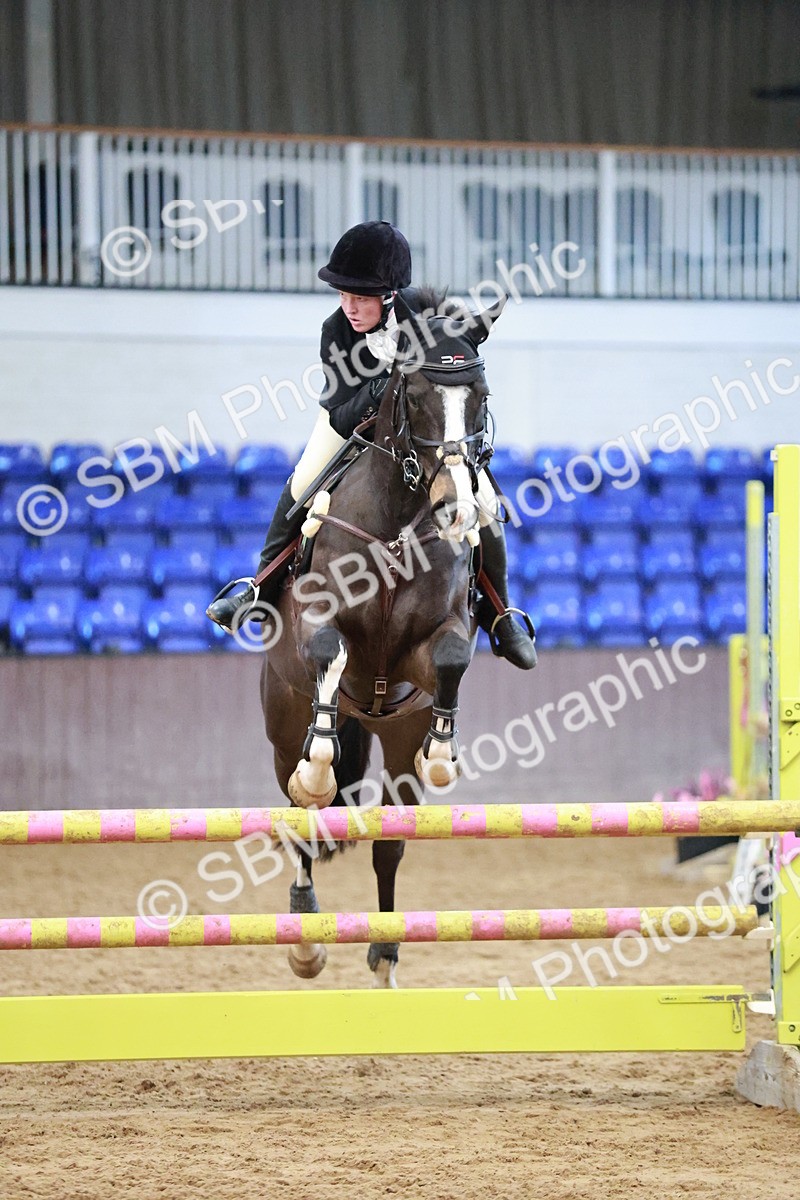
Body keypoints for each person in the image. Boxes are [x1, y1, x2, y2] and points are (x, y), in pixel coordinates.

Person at [206, 220, 537, 670]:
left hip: (418, 436)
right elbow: (341, 412)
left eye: (359, 297)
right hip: (351, 426)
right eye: (344, 295)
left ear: (388, 295)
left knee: (480, 500)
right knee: (303, 479)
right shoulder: (336, 332)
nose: (349, 307)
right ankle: (259, 586)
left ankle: (502, 614)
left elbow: (460, 362)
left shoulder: (426, 317)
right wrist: (382, 389)